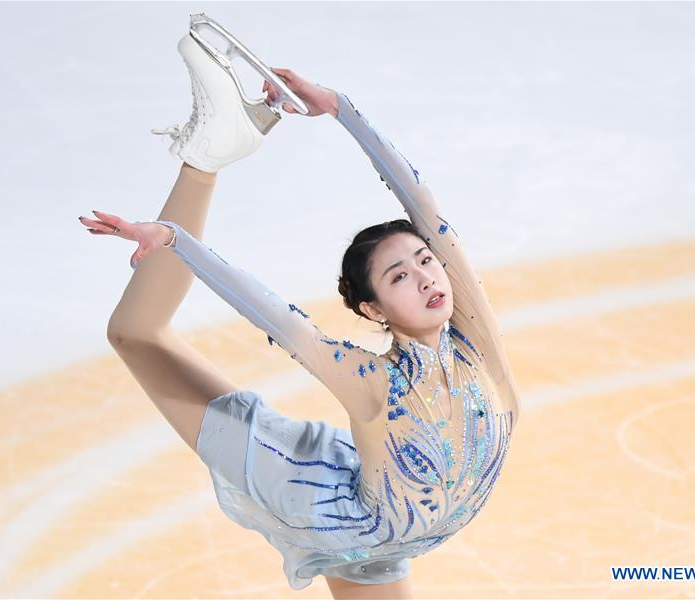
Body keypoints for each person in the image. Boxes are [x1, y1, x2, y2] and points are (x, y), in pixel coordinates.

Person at [78, 32, 521, 600]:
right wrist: (174, 241)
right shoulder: (373, 382)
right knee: (135, 335)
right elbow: (279, 319)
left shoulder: (475, 337)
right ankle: (205, 161)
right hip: (331, 513)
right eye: (398, 277)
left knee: (138, 334)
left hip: (385, 543)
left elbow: (424, 208)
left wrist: (339, 108)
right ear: (371, 310)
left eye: (425, 261)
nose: (427, 277)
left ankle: (212, 156)